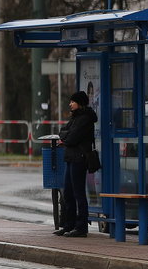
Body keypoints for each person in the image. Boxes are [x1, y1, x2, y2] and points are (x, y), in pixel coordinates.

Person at [54, 90, 97, 238]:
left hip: (79, 158)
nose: (70, 104)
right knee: (68, 192)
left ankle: (81, 227)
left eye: (73, 101)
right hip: (71, 157)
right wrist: (66, 137)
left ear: (80, 103)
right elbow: (63, 131)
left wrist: (66, 138)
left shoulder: (84, 118)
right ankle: (69, 225)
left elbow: (71, 137)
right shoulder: (76, 117)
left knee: (78, 193)